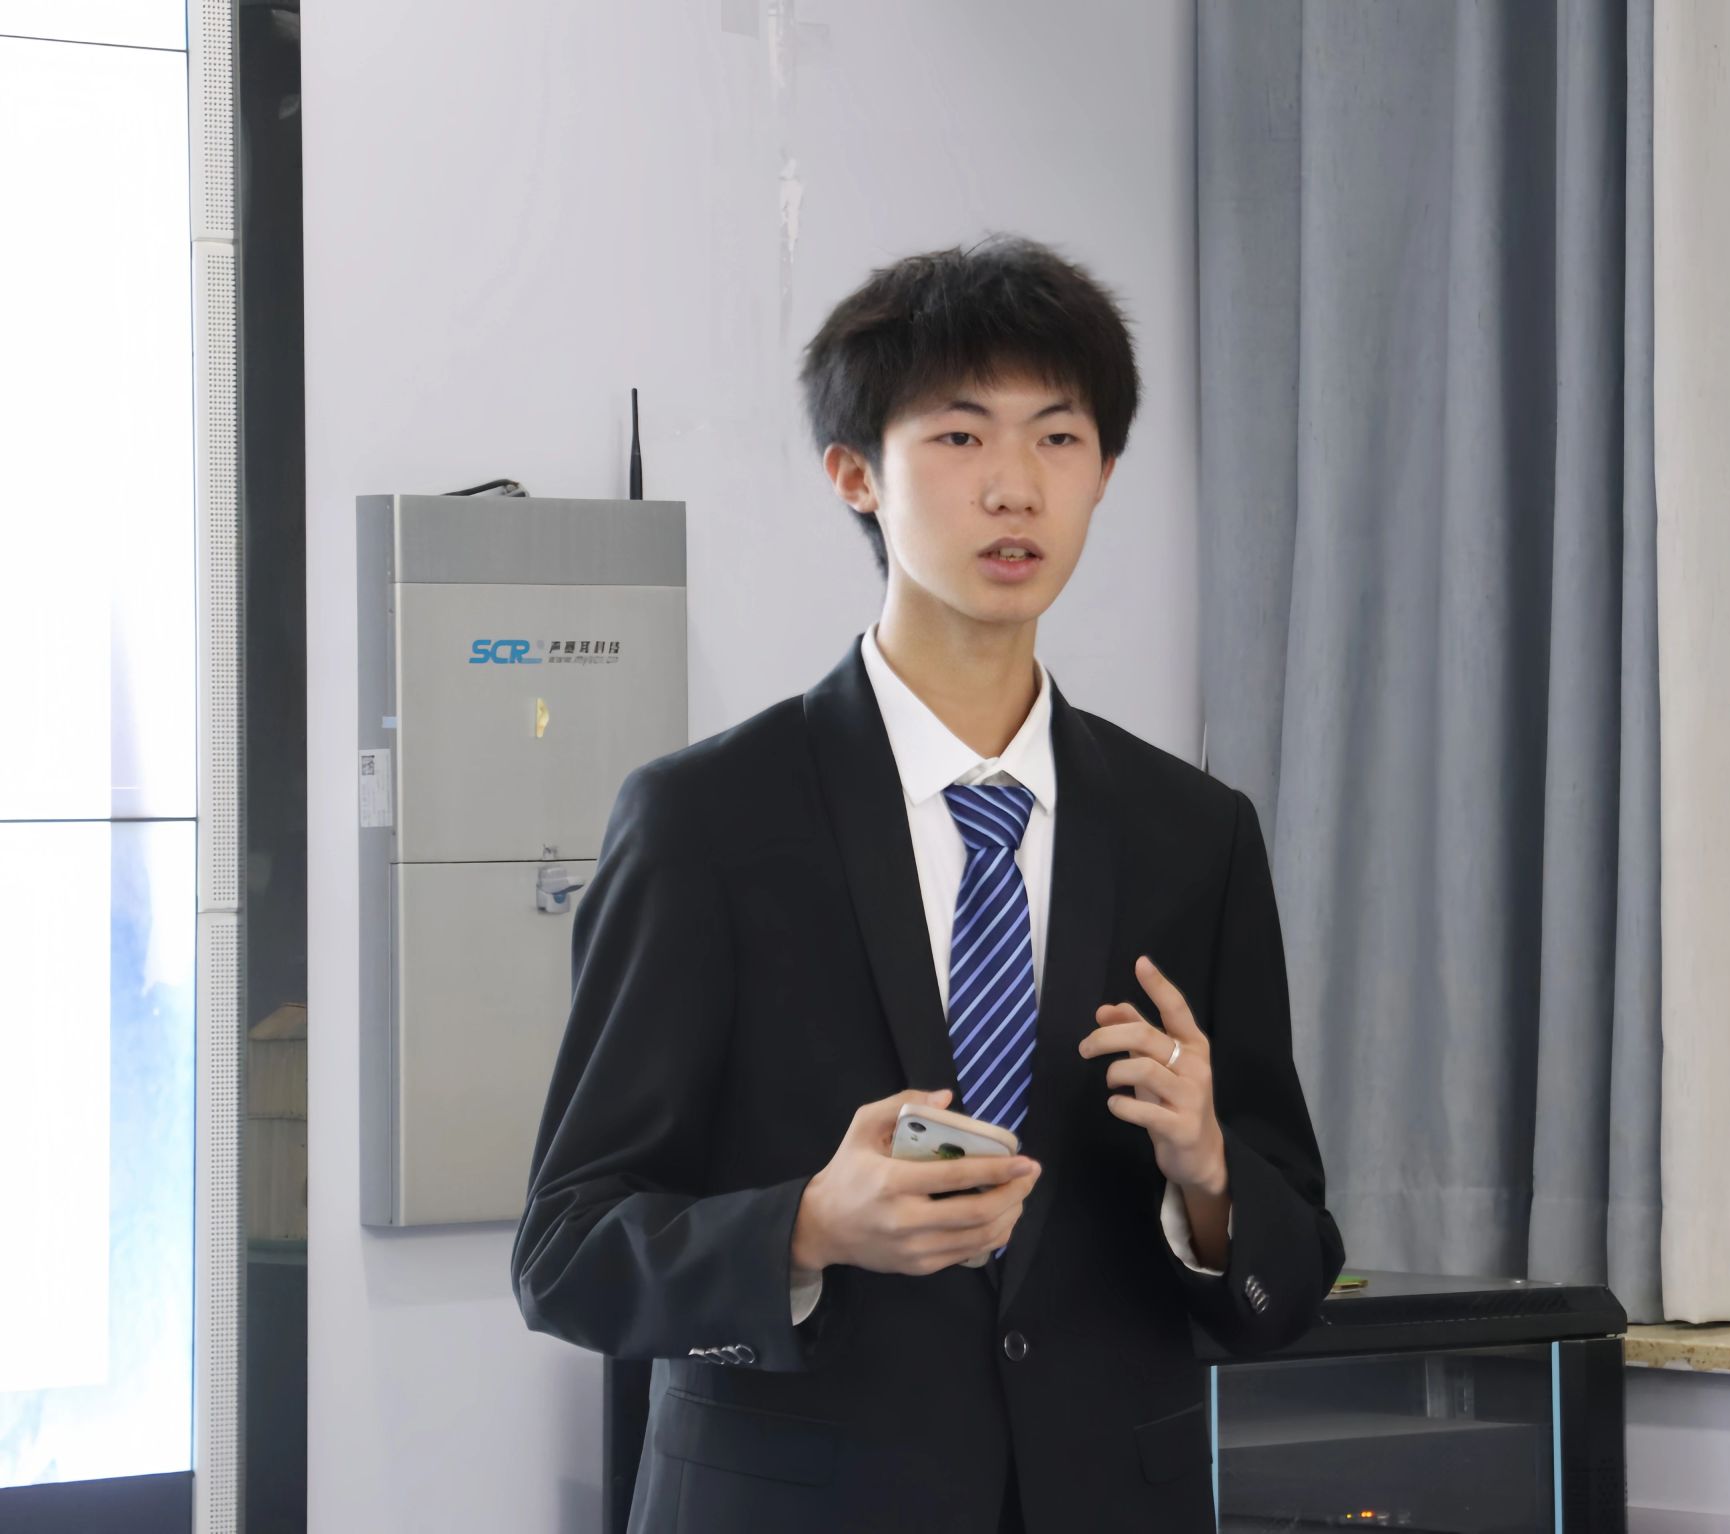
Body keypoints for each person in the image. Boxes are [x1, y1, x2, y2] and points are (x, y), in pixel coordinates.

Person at [511, 233, 1344, 1534]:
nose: (1015, 485)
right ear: (857, 474)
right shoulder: (705, 823)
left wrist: (1211, 1174)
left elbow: (1286, 1281)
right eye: (960, 437)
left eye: (1059, 438)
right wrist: (805, 1227)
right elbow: (567, 1251)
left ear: (1104, 473)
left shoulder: (1195, 834)